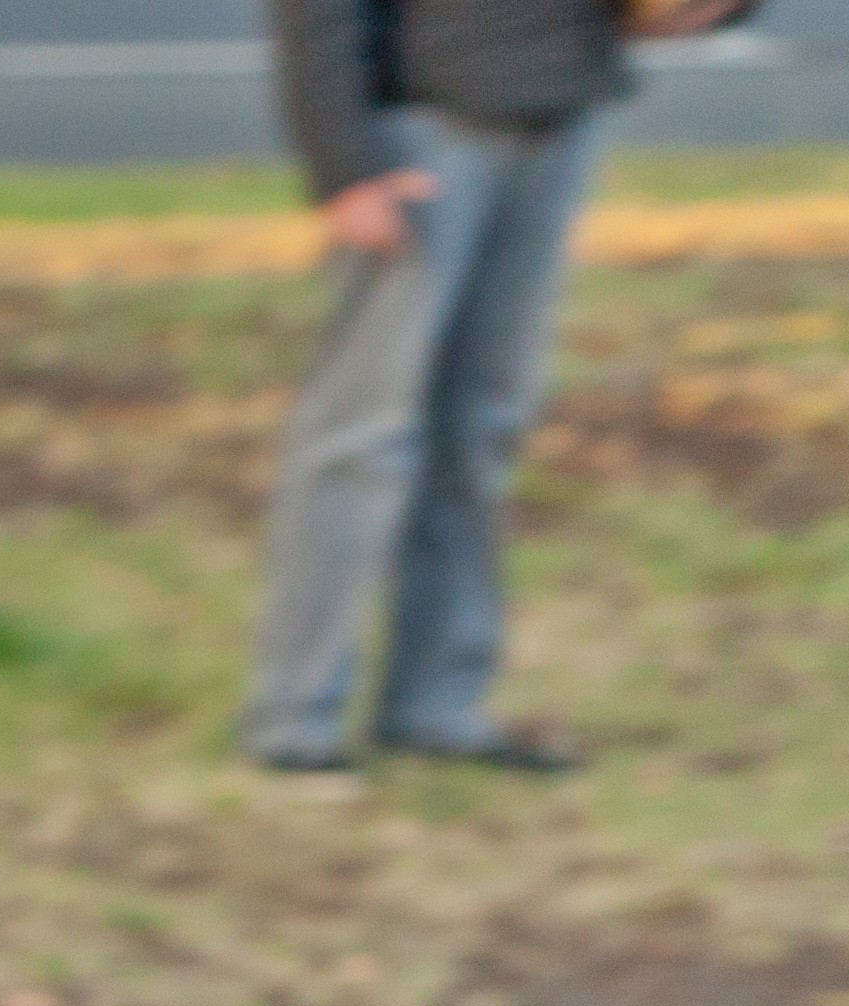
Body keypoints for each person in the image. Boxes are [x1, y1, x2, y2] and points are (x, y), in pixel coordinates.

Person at [242, 0, 747, 777]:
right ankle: (294, 724)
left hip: (556, 120)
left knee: (480, 429)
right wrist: (343, 162)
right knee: (360, 437)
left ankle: (435, 707)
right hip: (418, 136)